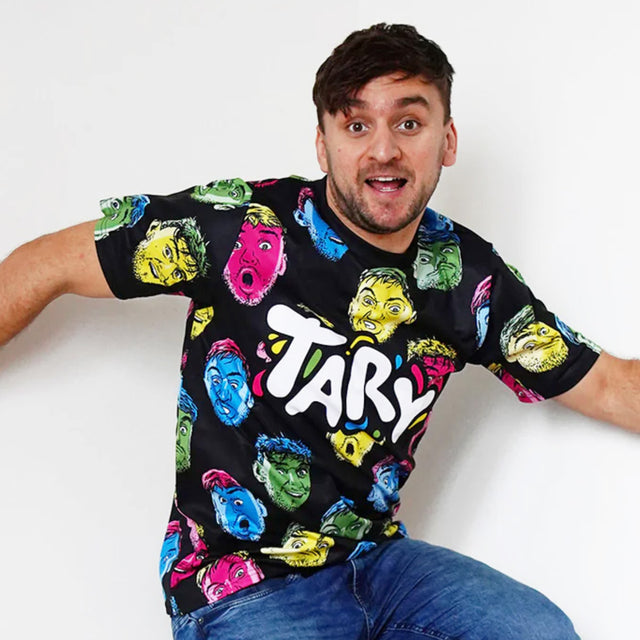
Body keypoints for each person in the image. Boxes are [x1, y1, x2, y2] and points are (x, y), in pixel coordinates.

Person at [1, 22, 638, 640]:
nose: (383, 150)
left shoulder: (463, 276)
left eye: (408, 123)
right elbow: (49, 262)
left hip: (380, 564)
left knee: (540, 631)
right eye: (356, 125)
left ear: (446, 141)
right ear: (322, 143)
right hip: (241, 581)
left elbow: (609, 386)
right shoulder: (238, 226)